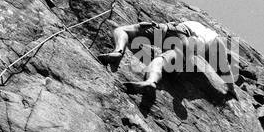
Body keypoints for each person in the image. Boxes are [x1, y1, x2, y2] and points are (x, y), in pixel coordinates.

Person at [99, 19, 236, 97]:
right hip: (185, 42)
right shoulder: (214, 39)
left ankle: (118, 51)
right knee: (159, 61)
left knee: (121, 30)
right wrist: (231, 89)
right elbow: (225, 69)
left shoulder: (193, 23)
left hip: (170, 29)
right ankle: (151, 81)